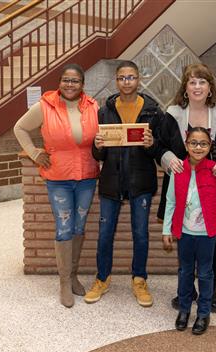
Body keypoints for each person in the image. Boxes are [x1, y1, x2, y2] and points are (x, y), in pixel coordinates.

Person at [157, 63, 216, 313]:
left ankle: (211, 293)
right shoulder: (173, 113)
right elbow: (159, 145)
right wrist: (169, 158)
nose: (197, 87)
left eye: (202, 82)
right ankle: (186, 292)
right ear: (185, 88)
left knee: (211, 237)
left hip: (212, 184)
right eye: (192, 82)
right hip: (182, 186)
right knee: (185, 239)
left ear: (210, 88)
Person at [14, 63, 99, 308]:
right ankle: (63, 282)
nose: (69, 85)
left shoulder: (93, 106)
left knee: (79, 227)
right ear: (59, 82)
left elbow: (100, 136)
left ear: (82, 85)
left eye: (75, 81)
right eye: (65, 80)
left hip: (87, 176)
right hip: (58, 178)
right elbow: (19, 128)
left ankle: (73, 276)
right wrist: (33, 152)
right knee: (64, 228)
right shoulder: (45, 106)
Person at [83, 60, 164, 307]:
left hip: (141, 181)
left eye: (131, 77)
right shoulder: (104, 111)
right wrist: (96, 147)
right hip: (111, 181)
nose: (126, 82)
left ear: (138, 79)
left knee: (140, 234)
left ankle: (139, 279)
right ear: (116, 81)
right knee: (105, 233)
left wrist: (152, 145)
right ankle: (102, 278)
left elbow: (159, 151)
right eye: (121, 78)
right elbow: (100, 156)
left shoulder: (153, 111)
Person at [162, 127, 216, 335]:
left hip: (207, 234)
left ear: (210, 147)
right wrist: (167, 230)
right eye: (193, 143)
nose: (198, 147)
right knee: (184, 272)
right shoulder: (178, 170)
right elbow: (170, 201)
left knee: (206, 273)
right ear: (186, 145)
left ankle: (203, 313)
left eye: (203, 143)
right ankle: (184, 310)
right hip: (185, 233)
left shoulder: (214, 170)